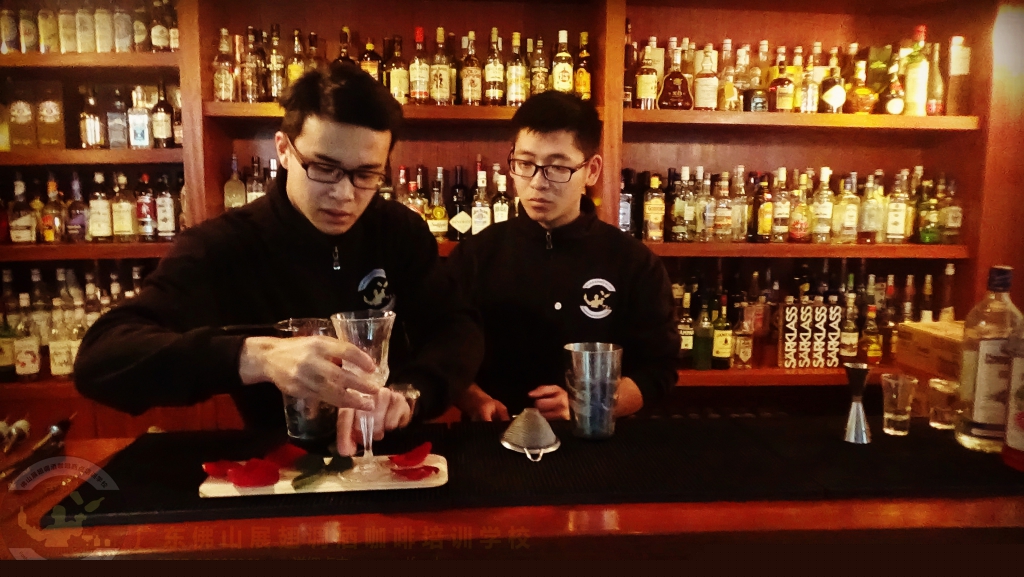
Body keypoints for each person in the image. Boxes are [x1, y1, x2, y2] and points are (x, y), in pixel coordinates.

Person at [74, 65, 483, 454]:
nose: (344, 194)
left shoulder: (400, 231)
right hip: (276, 463)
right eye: (324, 168)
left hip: (393, 455)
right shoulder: (223, 246)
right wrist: (255, 357)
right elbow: (100, 359)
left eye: (366, 175)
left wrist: (410, 392)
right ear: (284, 149)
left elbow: (458, 329)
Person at [445, 91, 679, 421]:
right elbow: (441, 349)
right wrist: (474, 400)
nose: (537, 183)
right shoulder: (475, 255)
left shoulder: (634, 263)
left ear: (592, 170)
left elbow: (659, 368)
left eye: (557, 167)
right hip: (493, 436)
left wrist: (591, 403)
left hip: (595, 440)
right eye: (525, 164)